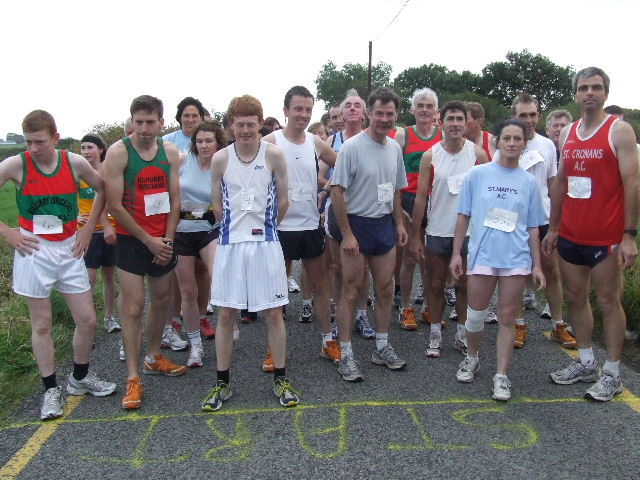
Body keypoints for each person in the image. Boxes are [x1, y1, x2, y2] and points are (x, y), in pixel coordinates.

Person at [0, 110, 116, 420]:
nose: (32, 148)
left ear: (55, 137)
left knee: (88, 319)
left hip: (69, 248)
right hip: (33, 248)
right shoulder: (15, 165)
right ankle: (50, 389)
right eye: (28, 142)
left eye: (39, 141)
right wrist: (9, 232)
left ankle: (79, 378)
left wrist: (90, 227)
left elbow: (103, 187)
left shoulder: (74, 163)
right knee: (42, 323)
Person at [543, 67, 639, 402]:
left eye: (596, 87)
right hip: (571, 233)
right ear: (576, 93)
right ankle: (585, 361)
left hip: (606, 237)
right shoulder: (568, 132)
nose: (590, 93)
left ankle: (612, 373)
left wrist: (629, 235)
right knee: (575, 297)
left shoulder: (620, 131)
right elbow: (561, 181)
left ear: (606, 93)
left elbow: (633, 184)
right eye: (584, 87)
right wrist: (554, 227)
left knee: (609, 301)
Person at [203, 94, 300, 411]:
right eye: (239, 124)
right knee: (227, 314)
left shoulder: (274, 155)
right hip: (231, 246)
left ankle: (281, 378)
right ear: (231, 125)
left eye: (250, 124)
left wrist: (267, 230)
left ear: (260, 124)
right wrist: (233, 230)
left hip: (266, 244)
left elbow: (284, 200)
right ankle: (222, 383)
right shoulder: (220, 158)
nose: (245, 130)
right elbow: (216, 204)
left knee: (274, 313)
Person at [451, 118, 546, 401]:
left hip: (515, 258)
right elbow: (464, 216)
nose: (513, 143)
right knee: (476, 316)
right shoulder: (477, 175)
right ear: (497, 142)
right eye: (508, 138)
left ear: (524, 145)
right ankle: (472, 356)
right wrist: (457, 252)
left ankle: (502, 376)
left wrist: (537, 265)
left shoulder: (529, 182)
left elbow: (533, 227)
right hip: (482, 255)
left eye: (518, 139)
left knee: (507, 318)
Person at [104, 95, 187, 410]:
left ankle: (154, 355)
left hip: (161, 238)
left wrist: (165, 239)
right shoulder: (118, 152)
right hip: (131, 238)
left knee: (163, 299)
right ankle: (133, 376)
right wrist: (147, 240)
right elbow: (114, 205)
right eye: (138, 122)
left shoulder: (170, 152)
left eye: (150, 122)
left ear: (161, 123)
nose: (143, 128)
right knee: (134, 307)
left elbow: (175, 199)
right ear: (131, 122)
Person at [330, 87, 409, 382]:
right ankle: (346, 353)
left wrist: (399, 224)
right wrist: (347, 234)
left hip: (383, 225)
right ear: (369, 114)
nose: (385, 119)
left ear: (396, 116)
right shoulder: (351, 147)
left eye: (390, 114)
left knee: (386, 288)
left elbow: (397, 190)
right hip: (356, 225)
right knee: (351, 291)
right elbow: (337, 191)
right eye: (379, 113)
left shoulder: (394, 148)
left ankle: (382, 346)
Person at [264, 86, 338, 364]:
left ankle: (327, 341)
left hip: (309, 225)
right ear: (285, 111)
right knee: (275, 291)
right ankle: (274, 350)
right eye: (298, 108)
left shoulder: (315, 143)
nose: (303, 115)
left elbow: (341, 163)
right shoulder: (270, 141)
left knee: (320, 286)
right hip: (279, 228)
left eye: (308, 109)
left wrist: (330, 185)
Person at [409, 101, 488, 358]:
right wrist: (416, 236)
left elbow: (485, 197)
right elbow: (421, 196)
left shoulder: (478, 155)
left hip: (469, 233)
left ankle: (462, 334)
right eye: (450, 119)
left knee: (464, 286)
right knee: (434, 284)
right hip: (437, 230)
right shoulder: (430, 155)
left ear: (467, 123)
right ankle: (434, 333)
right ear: (440, 122)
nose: (455, 124)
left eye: (459, 119)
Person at [510, 94, 574, 348]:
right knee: (515, 274)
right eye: (522, 115)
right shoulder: (504, 142)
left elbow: (553, 185)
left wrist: (557, 222)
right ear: (514, 115)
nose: (527, 120)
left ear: (538, 115)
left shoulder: (547, 145)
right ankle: (518, 324)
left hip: (543, 218)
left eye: (532, 115)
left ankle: (558, 324)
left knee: (551, 271)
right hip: (514, 220)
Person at [163, 96, 215, 343]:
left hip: (206, 223)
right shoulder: (169, 142)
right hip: (180, 219)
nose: (191, 119)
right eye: (186, 115)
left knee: (203, 272)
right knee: (180, 278)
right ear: (180, 117)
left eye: (195, 115)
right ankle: (174, 319)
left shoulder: (212, 145)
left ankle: (201, 315)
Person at [174, 121, 226, 367]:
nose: (204, 145)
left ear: (218, 142)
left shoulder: (222, 165)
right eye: (200, 141)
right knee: (187, 291)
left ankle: (227, 325)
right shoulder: (183, 161)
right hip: (182, 229)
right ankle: (195, 346)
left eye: (209, 141)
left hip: (209, 230)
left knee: (218, 277)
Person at [325, 91, 376, 339]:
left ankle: (362, 315)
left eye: (358, 105)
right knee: (336, 267)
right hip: (338, 211)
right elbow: (320, 173)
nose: (353, 109)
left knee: (363, 267)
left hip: (366, 211)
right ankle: (338, 314)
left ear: (365, 113)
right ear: (341, 113)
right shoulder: (332, 140)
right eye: (348, 106)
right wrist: (330, 184)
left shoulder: (374, 140)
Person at [392, 88, 443, 330]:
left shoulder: (443, 136)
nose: (424, 109)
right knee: (410, 257)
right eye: (420, 105)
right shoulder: (404, 135)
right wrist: (398, 207)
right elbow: (393, 171)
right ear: (412, 110)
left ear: (436, 111)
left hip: (436, 202)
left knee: (430, 259)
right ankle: (406, 307)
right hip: (409, 200)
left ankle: (429, 308)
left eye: (429, 105)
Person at [78, 134, 119, 334]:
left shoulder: (109, 171)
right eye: (83, 148)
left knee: (110, 277)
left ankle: (110, 317)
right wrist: (74, 217)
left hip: (111, 229)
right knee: (89, 278)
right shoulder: (78, 174)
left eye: (90, 147)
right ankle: (88, 321)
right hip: (88, 232)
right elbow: (66, 197)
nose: (86, 152)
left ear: (101, 150)